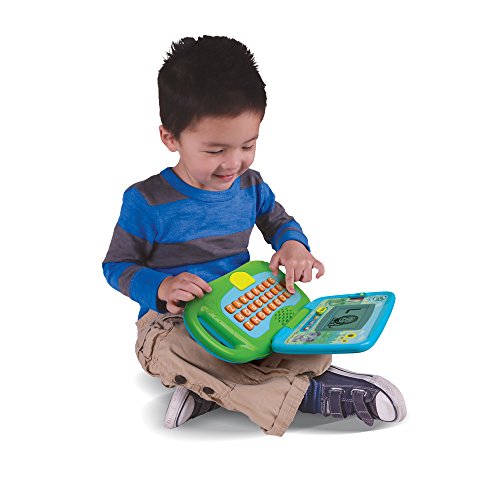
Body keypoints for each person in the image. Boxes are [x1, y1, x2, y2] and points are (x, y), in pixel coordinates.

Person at [102, 35, 406, 436]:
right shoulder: (146, 201)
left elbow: (279, 222)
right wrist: (161, 287)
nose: (234, 163)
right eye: (215, 150)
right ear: (170, 137)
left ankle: (212, 390)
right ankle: (307, 395)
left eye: (248, 144)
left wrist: (293, 245)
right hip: (173, 321)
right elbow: (117, 265)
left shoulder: (251, 185)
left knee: (302, 335)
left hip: (248, 306)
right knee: (170, 352)